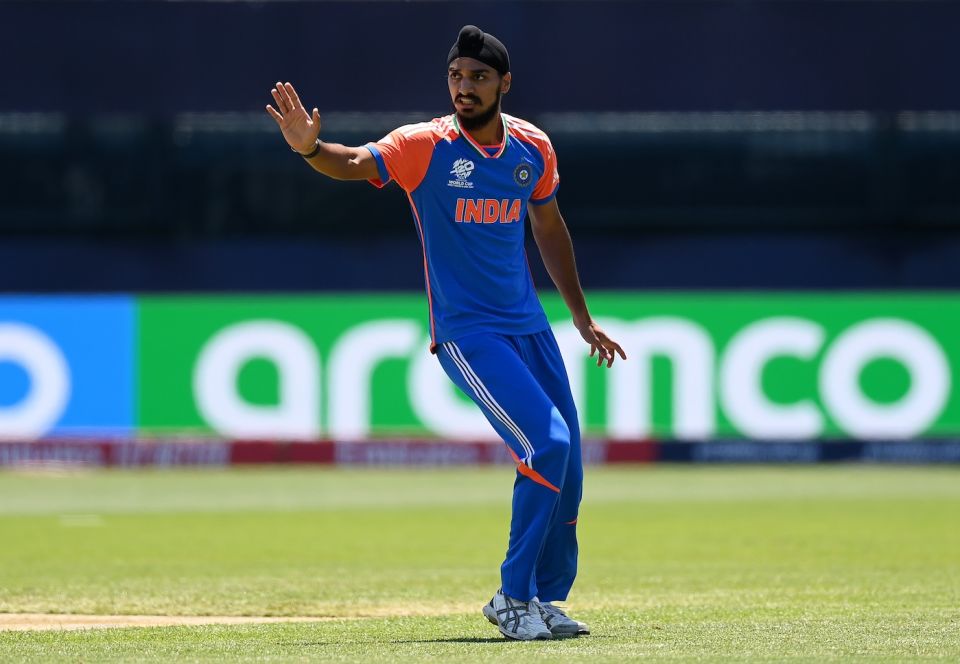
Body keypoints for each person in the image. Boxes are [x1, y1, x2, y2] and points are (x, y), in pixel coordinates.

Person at [266, 24, 626, 641]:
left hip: (529, 328)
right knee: (547, 447)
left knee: (570, 469)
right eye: (457, 76)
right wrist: (310, 149)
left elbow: (550, 229)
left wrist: (580, 316)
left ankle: (543, 599)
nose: (464, 87)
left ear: (504, 84)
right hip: (468, 332)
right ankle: (512, 599)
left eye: (478, 78)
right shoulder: (424, 146)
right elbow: (354, 163)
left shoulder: (532, 149)